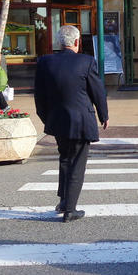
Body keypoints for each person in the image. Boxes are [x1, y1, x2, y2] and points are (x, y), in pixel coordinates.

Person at [34, 25, 109, 223]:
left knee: (65, 159)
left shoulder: (45, 62)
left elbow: (39, 97)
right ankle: (70, 210)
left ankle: (63, 201)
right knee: (76, 164)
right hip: (81, 122)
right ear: (77, 42)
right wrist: (104, 115)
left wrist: (46, 118)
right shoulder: (86, 61)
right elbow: (97, 91)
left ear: (60, 43)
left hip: (57, 120)